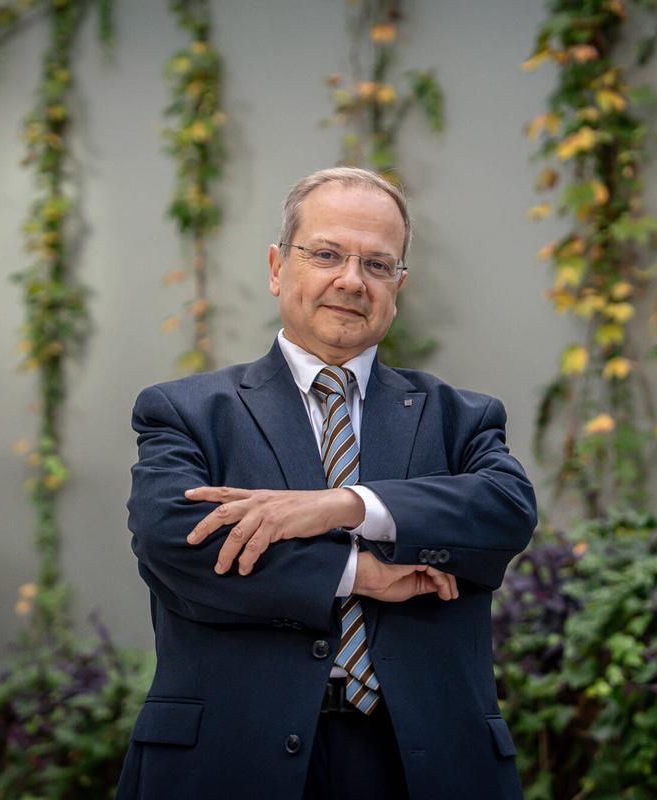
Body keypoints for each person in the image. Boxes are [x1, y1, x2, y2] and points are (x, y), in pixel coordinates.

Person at [116, 167, 536, 799]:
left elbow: (504, 508)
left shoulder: (461, 418)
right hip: (231, 762)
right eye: (327, 254)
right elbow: (176, 540)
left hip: (423, 766)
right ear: (278, 267)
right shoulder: (188, 413)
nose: (350, 279)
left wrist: (340, 507)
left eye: (376, 264)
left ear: (398, 287)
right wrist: (361, 574)